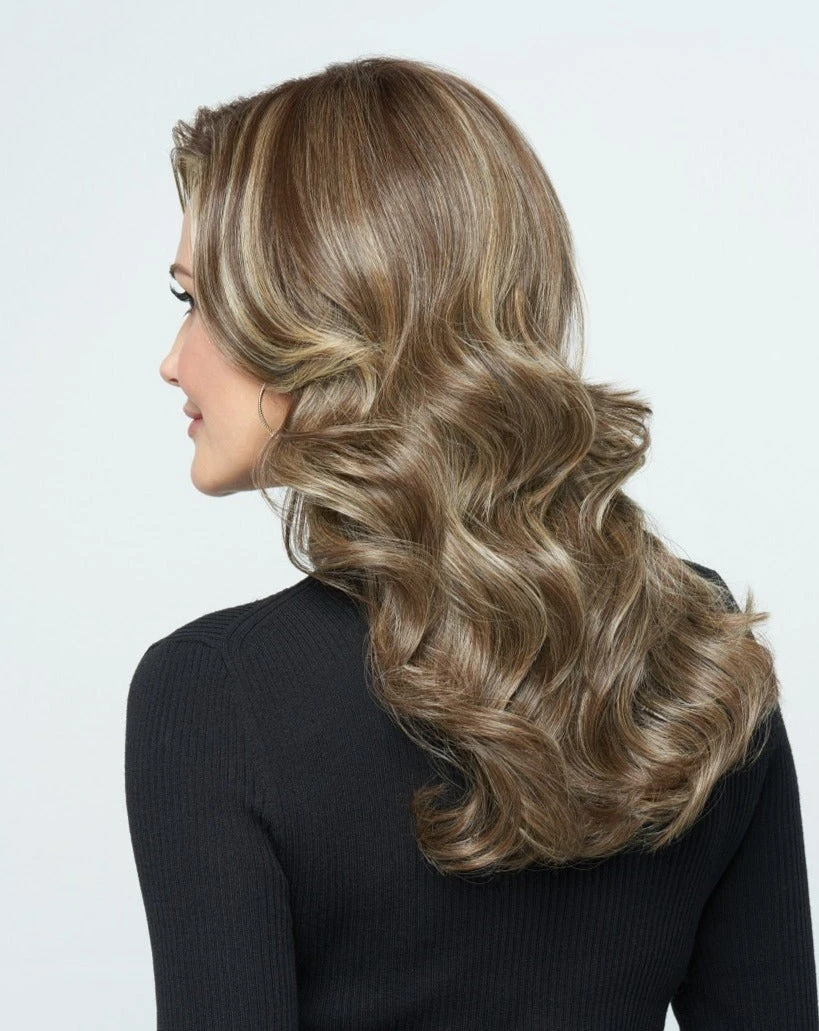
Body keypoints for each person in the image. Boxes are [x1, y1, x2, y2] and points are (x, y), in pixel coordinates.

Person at [125, 56, 818, 1029]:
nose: (172, 361)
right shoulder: (697, 647)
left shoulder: (213, 693)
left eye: (194, 301)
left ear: (318, 312)